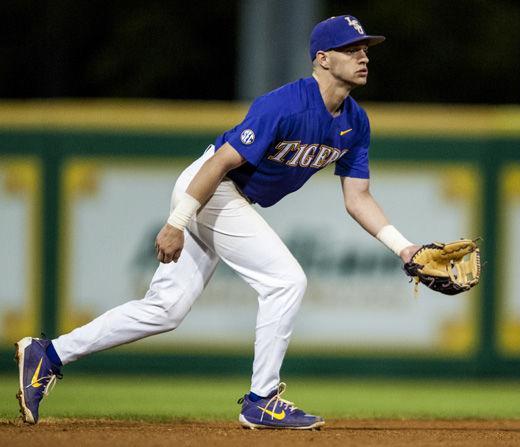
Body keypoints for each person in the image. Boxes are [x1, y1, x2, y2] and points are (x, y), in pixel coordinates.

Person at [15, 15, 420, 430]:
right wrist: (176, 222)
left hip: (229, 197)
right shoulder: (285, 104)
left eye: (365, 48)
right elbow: (220, 161)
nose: (363, 56)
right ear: (322, 59)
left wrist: (404, 249)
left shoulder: (356, 123)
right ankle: (261, 399)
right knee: (285, 280)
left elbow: (358, 198)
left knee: (165, 310)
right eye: (351, 49)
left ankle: (49, 354)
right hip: (210, 187)